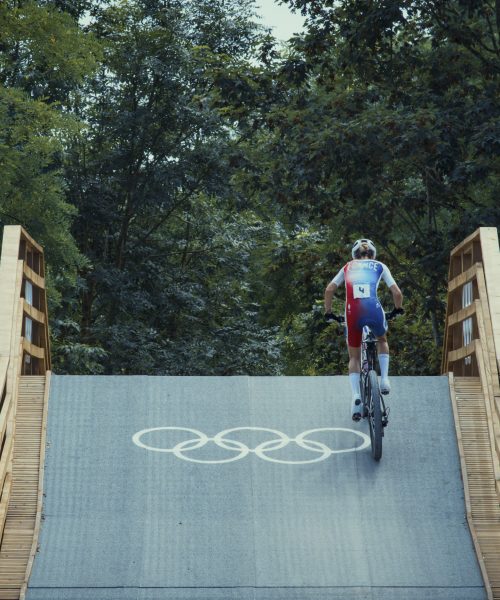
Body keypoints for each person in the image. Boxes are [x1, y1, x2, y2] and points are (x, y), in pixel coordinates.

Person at [324, 239, 403, 421]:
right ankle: (384, 380)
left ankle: (356, 396)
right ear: (372, 254)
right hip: (374, 309)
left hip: (352, 312)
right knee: (382, 339)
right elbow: (397, 293)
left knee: (354, 357)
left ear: (355, 255)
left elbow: (329, 290)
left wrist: (328, 312)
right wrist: (398, 309)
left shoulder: (347, 267)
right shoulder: (380, 266)